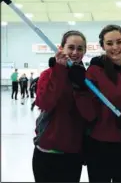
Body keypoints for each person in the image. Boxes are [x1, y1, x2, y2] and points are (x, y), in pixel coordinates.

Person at [32, 30, 97, 182]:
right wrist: (59, 71)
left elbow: (90, 115)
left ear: (85, 51)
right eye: (71, 47)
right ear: (62, 49)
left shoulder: (86, 79)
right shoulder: (48, 74)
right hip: (46, 151)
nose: (75, 52)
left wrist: (81, 88)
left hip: (72, 153)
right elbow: (44, 103)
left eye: (80, 48)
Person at [84, 24, 121, 183]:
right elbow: (87, 108)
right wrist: (78, 86)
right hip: (99, 144)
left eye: (119, 42)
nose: (115, 47)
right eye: (109, 43)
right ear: (102, 46)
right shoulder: (94, 71)